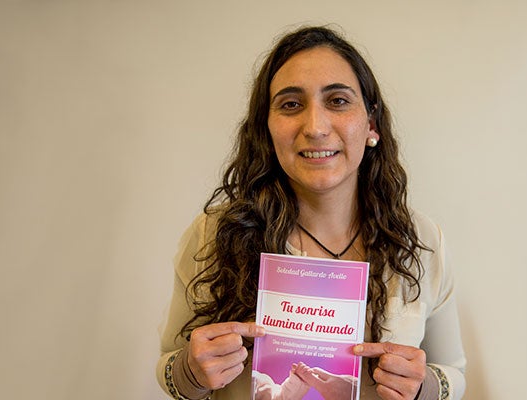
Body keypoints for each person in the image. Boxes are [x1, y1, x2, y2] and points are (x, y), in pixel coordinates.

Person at [156, 25, 466, 400]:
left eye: (337, 101)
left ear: (371, 123)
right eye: (290, 104)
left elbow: (454, 370)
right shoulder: (214, 234)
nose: (315, 127)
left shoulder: (422, 240)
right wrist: (190, 371)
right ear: (266, 128)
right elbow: (169, 365)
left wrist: (425, 386)